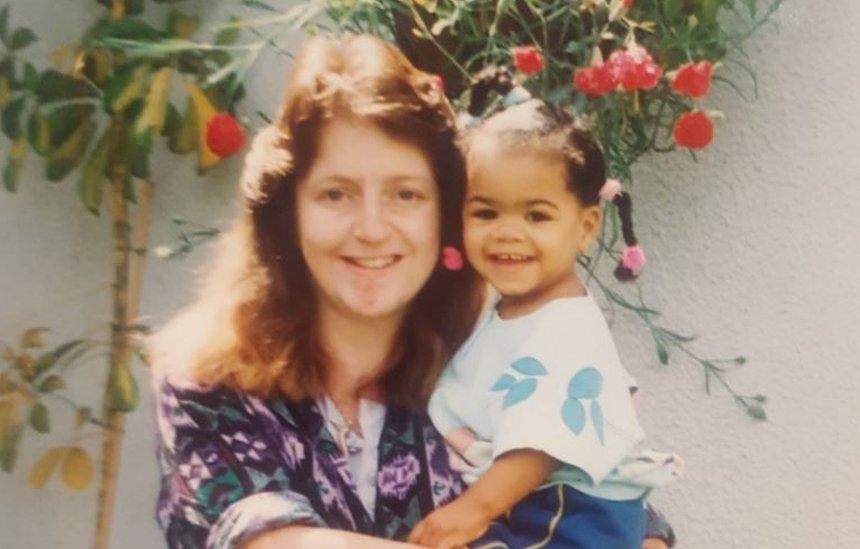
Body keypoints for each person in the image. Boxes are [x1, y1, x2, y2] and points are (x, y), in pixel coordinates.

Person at [150, 35, 675, 549]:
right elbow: (269, 541)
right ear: (289, 212)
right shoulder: (210, 383)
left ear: (446, 215)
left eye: (406, 194)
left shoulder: (484, 363)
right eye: (336, 194)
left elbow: (620, 506)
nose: (373, 228)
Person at [410, 99, 682, 548]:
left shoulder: (565, 325)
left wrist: (471, 511)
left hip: (570, 511)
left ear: (586, 227)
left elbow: (542, 445)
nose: (508, 232)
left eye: (536, 215)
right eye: (485, 213)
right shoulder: (504, 312)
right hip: (530, 504)